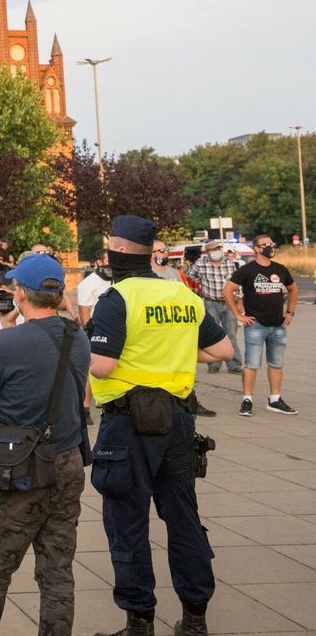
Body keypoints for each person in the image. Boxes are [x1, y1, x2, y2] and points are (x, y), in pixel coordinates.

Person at [88, 216, 234, 636]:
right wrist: (176, 354)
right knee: (183, 518)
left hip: (129, 425)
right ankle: (194, 619)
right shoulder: (180, 294)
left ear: (116, 252)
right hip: (179, 421)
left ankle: (139, 622)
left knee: (127, 523)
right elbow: (221, 349)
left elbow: (102, 365)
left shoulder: (117, 298)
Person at [0, 253, 91, 636]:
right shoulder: (77, 338)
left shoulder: (7, 343)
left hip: (22, 468)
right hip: (67, 461)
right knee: (56, 571)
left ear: (20, 293)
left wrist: (3, 404)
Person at [225, 233, 297, 416]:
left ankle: (275, 400)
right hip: (255, 325)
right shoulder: (248, 270)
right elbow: (228, 290)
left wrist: (290, 312)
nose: (270, 246)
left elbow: (293, 288)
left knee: (276, 363)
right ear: (256, 248)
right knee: (251, 364)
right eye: (266, 244)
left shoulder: (280, 269)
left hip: (278, 325)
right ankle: (247, 400)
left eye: (271, 243)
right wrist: (238, 314)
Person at [187, 241, 242, 375]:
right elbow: (190, 275)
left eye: (218, 248)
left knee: (231, 335)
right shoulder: (201, 263)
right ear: (208, 252)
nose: (217, 251)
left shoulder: (229, 262)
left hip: (229, 302)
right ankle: (213, 364)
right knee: (211, 335)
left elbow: (237, 282)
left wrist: (240, 299)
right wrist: (202, 282)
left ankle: (234, 365)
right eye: (214, 249)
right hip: (211, 302)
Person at [76, 250, 113, 322]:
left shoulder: (117, 279)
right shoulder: (86, 284)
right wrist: (89, 332)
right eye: (109, 261)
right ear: (99, 262)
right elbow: (84, 313)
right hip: (99, 329)